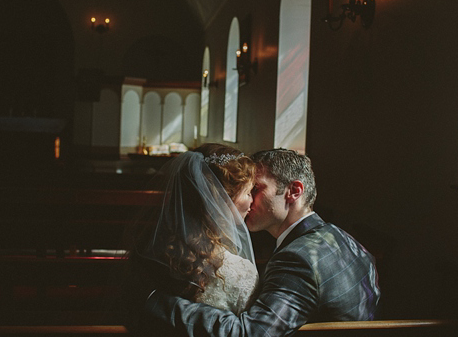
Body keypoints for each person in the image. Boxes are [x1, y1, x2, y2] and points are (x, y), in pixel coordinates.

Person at [145, 148, 380, 336]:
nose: (249, 197)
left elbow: (250, 333)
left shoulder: (297, 259)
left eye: (257, 188)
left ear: (293, 191)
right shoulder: (344, 238)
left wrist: (159, 303)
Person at [122, 143, 259, 333]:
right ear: (223, 198)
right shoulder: (240, 272)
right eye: (248, 192)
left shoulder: (153, 248)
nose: (252, 200)